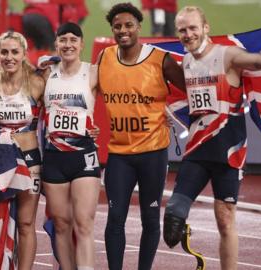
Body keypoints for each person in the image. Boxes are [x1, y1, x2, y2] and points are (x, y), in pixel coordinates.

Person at [162, 6, 261, 270]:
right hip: (197, 151)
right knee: (174, 214)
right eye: (182, 30)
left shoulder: (228, 56)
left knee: (225, 220)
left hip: (228, 152)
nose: (188, 34)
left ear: (206, 27)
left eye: (192, 28)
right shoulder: (186, 63)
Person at [97, 3, 185, 270]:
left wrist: (174, 112)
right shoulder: (104, 58)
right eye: (117, 26)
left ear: (139, 27)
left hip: (153, 154)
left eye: (128, 25)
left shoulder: (161, 60)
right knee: (115, 218)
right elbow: (81, 85)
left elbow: (192, 88)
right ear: (112, 29)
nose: (123, 31)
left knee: (149, 217)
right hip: (119, 156)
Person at [0, 31, 45, 270]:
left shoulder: (37, 83)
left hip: (30, 161)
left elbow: (59, 107)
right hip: (0, 160)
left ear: (24, 54)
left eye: (15, 51)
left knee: (26, 223)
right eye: (4, 52)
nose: (9, 57)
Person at [41, 22, 101, 270]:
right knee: (62, 224)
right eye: (63, 40)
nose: (68, 45)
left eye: (73, 40)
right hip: (54, 158)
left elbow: (121, 97)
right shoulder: (46, 73)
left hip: (83, 156)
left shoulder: (93, 72)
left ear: (81, 44)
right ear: (56, 44)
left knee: (84, 223)